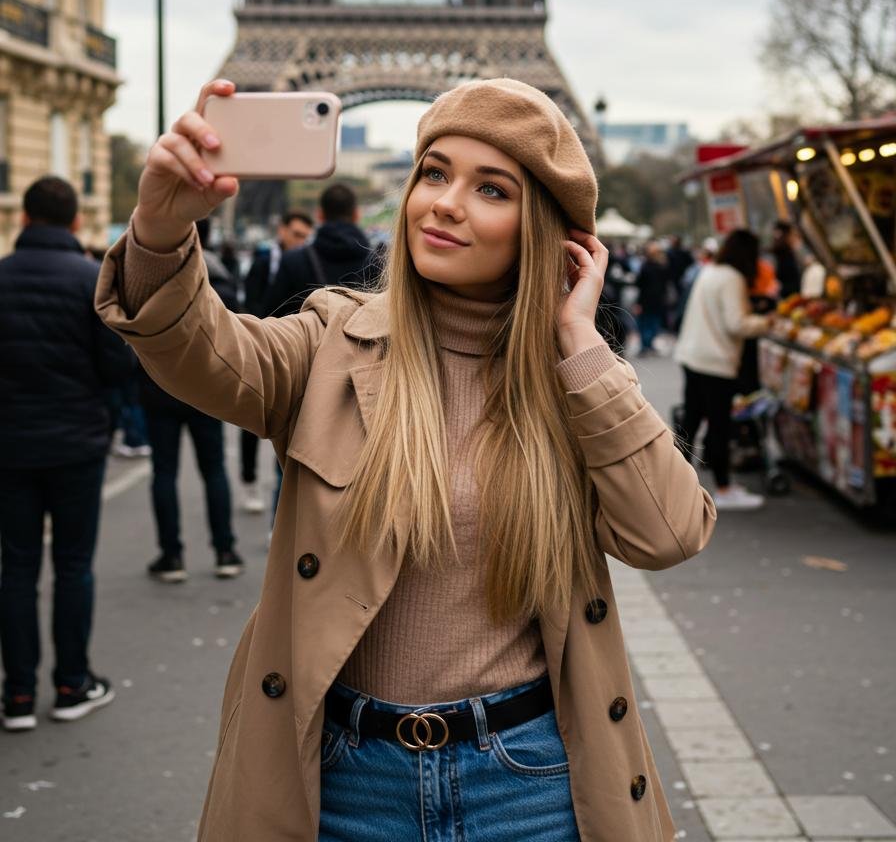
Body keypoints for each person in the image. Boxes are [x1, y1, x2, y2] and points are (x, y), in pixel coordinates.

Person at [95, 76, 716, 842]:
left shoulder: (572, 387)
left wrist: (584, 347)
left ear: (548, 234)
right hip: (345, 782)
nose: (445, 202)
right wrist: (159, 231)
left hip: (527, 783)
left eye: (491, 189)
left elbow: (669, 533)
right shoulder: (331, 341)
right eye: (434, 173)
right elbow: (199, 353)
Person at [0, 176, 133, 731]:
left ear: (25, 220)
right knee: (74, 565)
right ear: (77, 221)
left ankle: (19, 695)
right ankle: (72, 683)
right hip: (76, 442)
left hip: (9, 445)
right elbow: (118, 367)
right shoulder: (90, 279)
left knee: (17, 567)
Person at [140, 218, 244, 583]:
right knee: (213, 469)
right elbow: (235, 328)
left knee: (164, 472)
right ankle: (225, 550)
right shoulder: (217, 271)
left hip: (158, 385)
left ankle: (172, 555)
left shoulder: (151, 271)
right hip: (205, 385)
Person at [674, 228, 769, 510]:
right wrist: (767, 322)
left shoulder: (711, 270)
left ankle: (676, 484)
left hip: (693, 355)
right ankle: (724, 487)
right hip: (715, 361)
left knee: (691, 422)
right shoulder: (733, 278)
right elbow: (736, 324)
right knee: (719, 425)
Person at [239, 210, 314, 513]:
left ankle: (278, 487)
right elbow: (251, 303)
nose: (301, 242)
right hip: (261, 349)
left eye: (305, 237)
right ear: (282, 231)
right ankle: (249, 480)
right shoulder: (262, 262)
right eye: (296, 235)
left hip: (293, 352)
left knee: (287, 423)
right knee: (250, 420)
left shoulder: (306, 261)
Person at [264, 183, 373, 317]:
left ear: (320, 215)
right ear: (356, 214)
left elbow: (272, 316)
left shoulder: (292, 261)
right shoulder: (376, 263)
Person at [634, 241, 668, 355]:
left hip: (645, 299)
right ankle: (649, 344)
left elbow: (639, 284)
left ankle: (645, 346)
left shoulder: (645, 267)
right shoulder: (663, 267)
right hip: (659, 299)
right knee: (654, 322)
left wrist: (638, 302)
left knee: (644, 323)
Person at [770, 220, 802, 299]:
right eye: (793, 234)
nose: (795, 237)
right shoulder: (783, 256)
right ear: (786, 236)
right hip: (791, 299)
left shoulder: (784, 254)